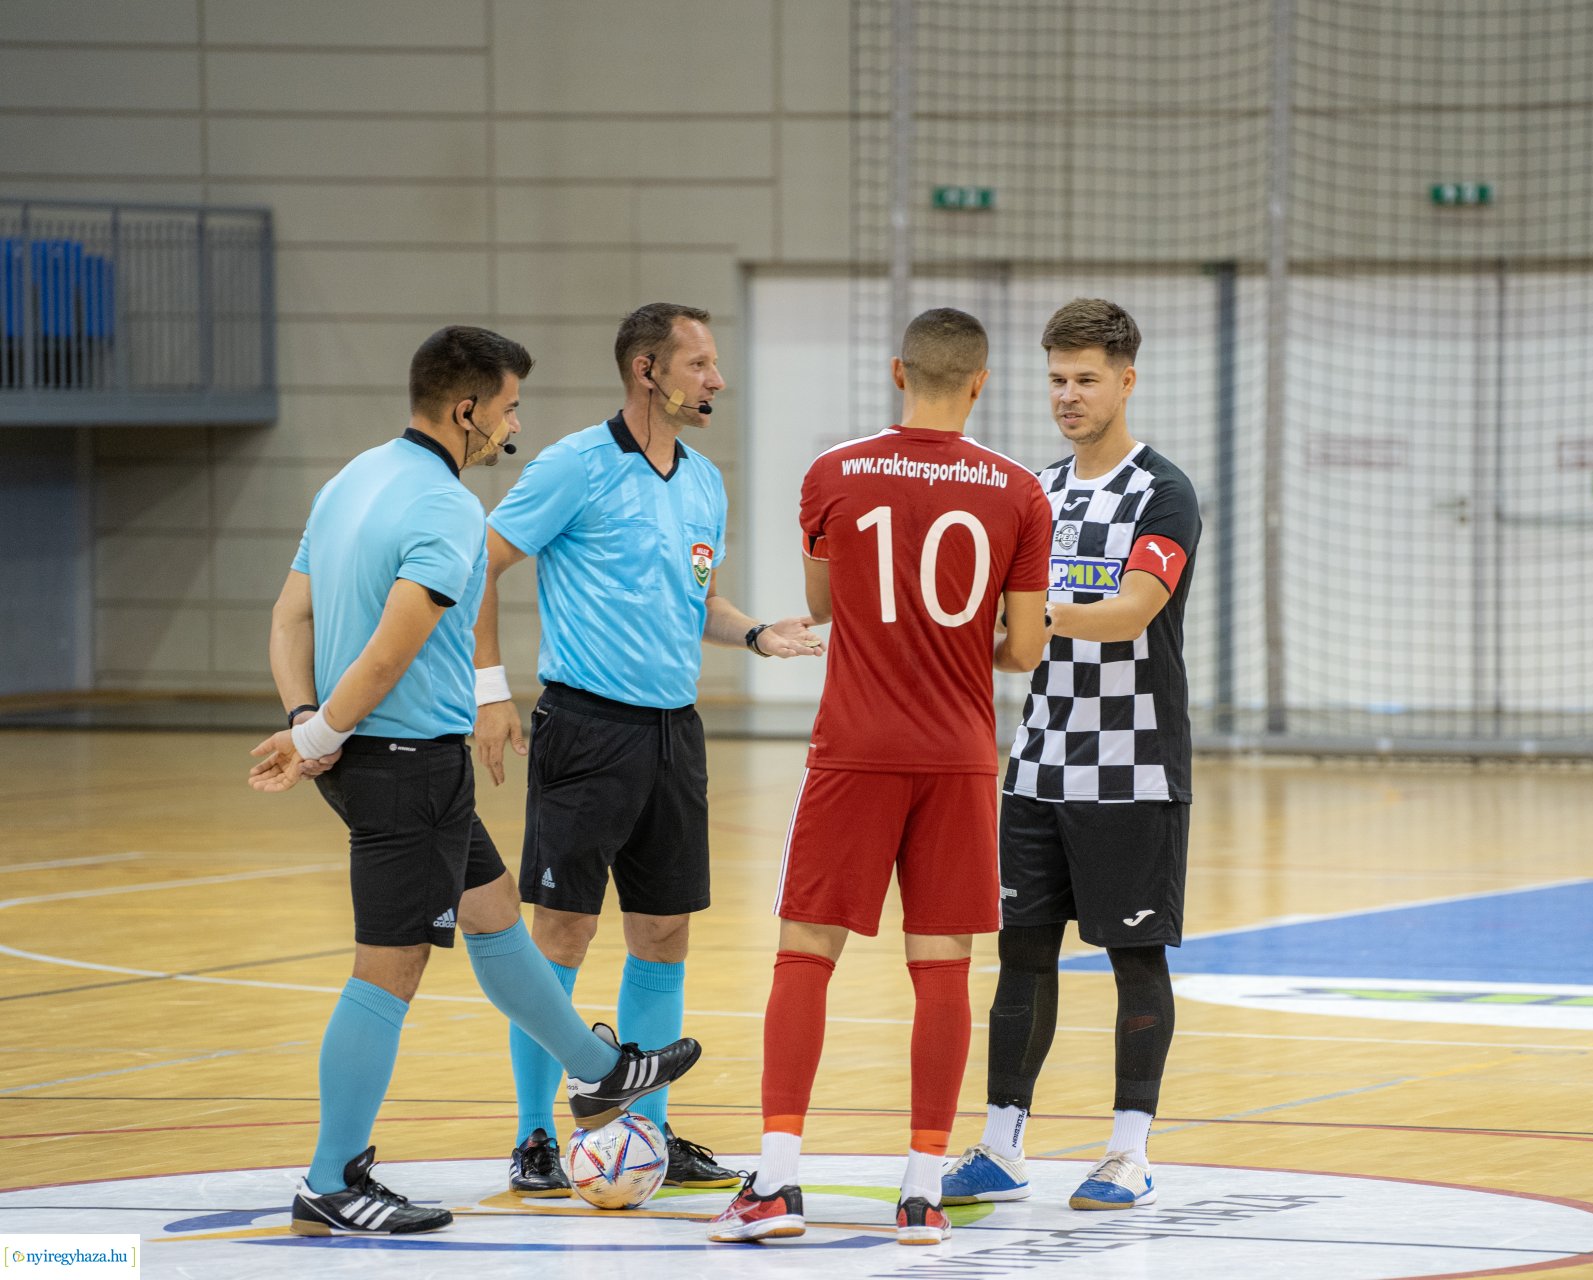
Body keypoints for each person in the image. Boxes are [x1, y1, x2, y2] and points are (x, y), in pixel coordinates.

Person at [249, 325, 701, 1237]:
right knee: (389, 971)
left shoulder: (352, 478)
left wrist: (305, 716)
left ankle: (597, 1070)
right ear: (466, 410)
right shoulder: (447, 507)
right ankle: (331, 1180)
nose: (514, 425)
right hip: (402, 764)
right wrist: (319, 735)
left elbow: (290, 615)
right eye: (509, 408)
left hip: (395, 760)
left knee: (493, 916)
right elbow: (392, 651)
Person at [708, 307, 1052, 1246]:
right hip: (959, 756)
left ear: (899, 372)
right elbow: (1025, 648)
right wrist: (962, 644)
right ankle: (922, 1193)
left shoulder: (835, 472)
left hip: (855, 747)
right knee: (942, 969)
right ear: (980, 382)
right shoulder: (1021, 491)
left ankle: (776, 1183)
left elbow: (826, 605)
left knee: (805, 955)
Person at [471, 302, 822, 1196]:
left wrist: (756, 634)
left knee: (663, 932)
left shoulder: (704, 481)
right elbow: (480, 561)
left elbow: (698, 599)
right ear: (646, 370)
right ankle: (535, 1136)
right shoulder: (575, 465)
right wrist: (489, 691)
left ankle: (648, 1130)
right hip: (587, 728)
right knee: (562, 931)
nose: (717, 381)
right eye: (700, 365)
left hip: (675, 733)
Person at [942, 298, 1201, 1212]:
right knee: (1020, 955)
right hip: (1037, 763)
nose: (1068, 395)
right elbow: (1003, 635)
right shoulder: (1034, 491)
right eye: (1056, 378)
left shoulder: (1162, 492)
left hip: (1133, 764)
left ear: (1126, 381)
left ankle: (1128, 1152)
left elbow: (1132, 611)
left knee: (1135, 959)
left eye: (1086, 379)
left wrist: (1036, 614)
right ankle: (1001, 1144)